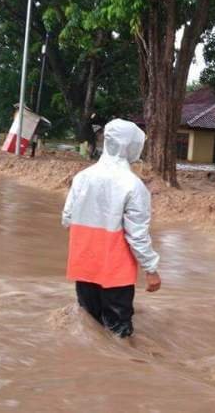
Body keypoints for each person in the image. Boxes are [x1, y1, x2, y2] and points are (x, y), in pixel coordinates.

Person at [61, 119, 161, 338]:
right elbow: (137, 235)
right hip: (116, 270)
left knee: (88, 324)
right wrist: (151, 270)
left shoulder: (82, 178)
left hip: (84, 265)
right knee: (118, 331)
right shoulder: (133, 186)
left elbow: (67, 219)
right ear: (131, 146)